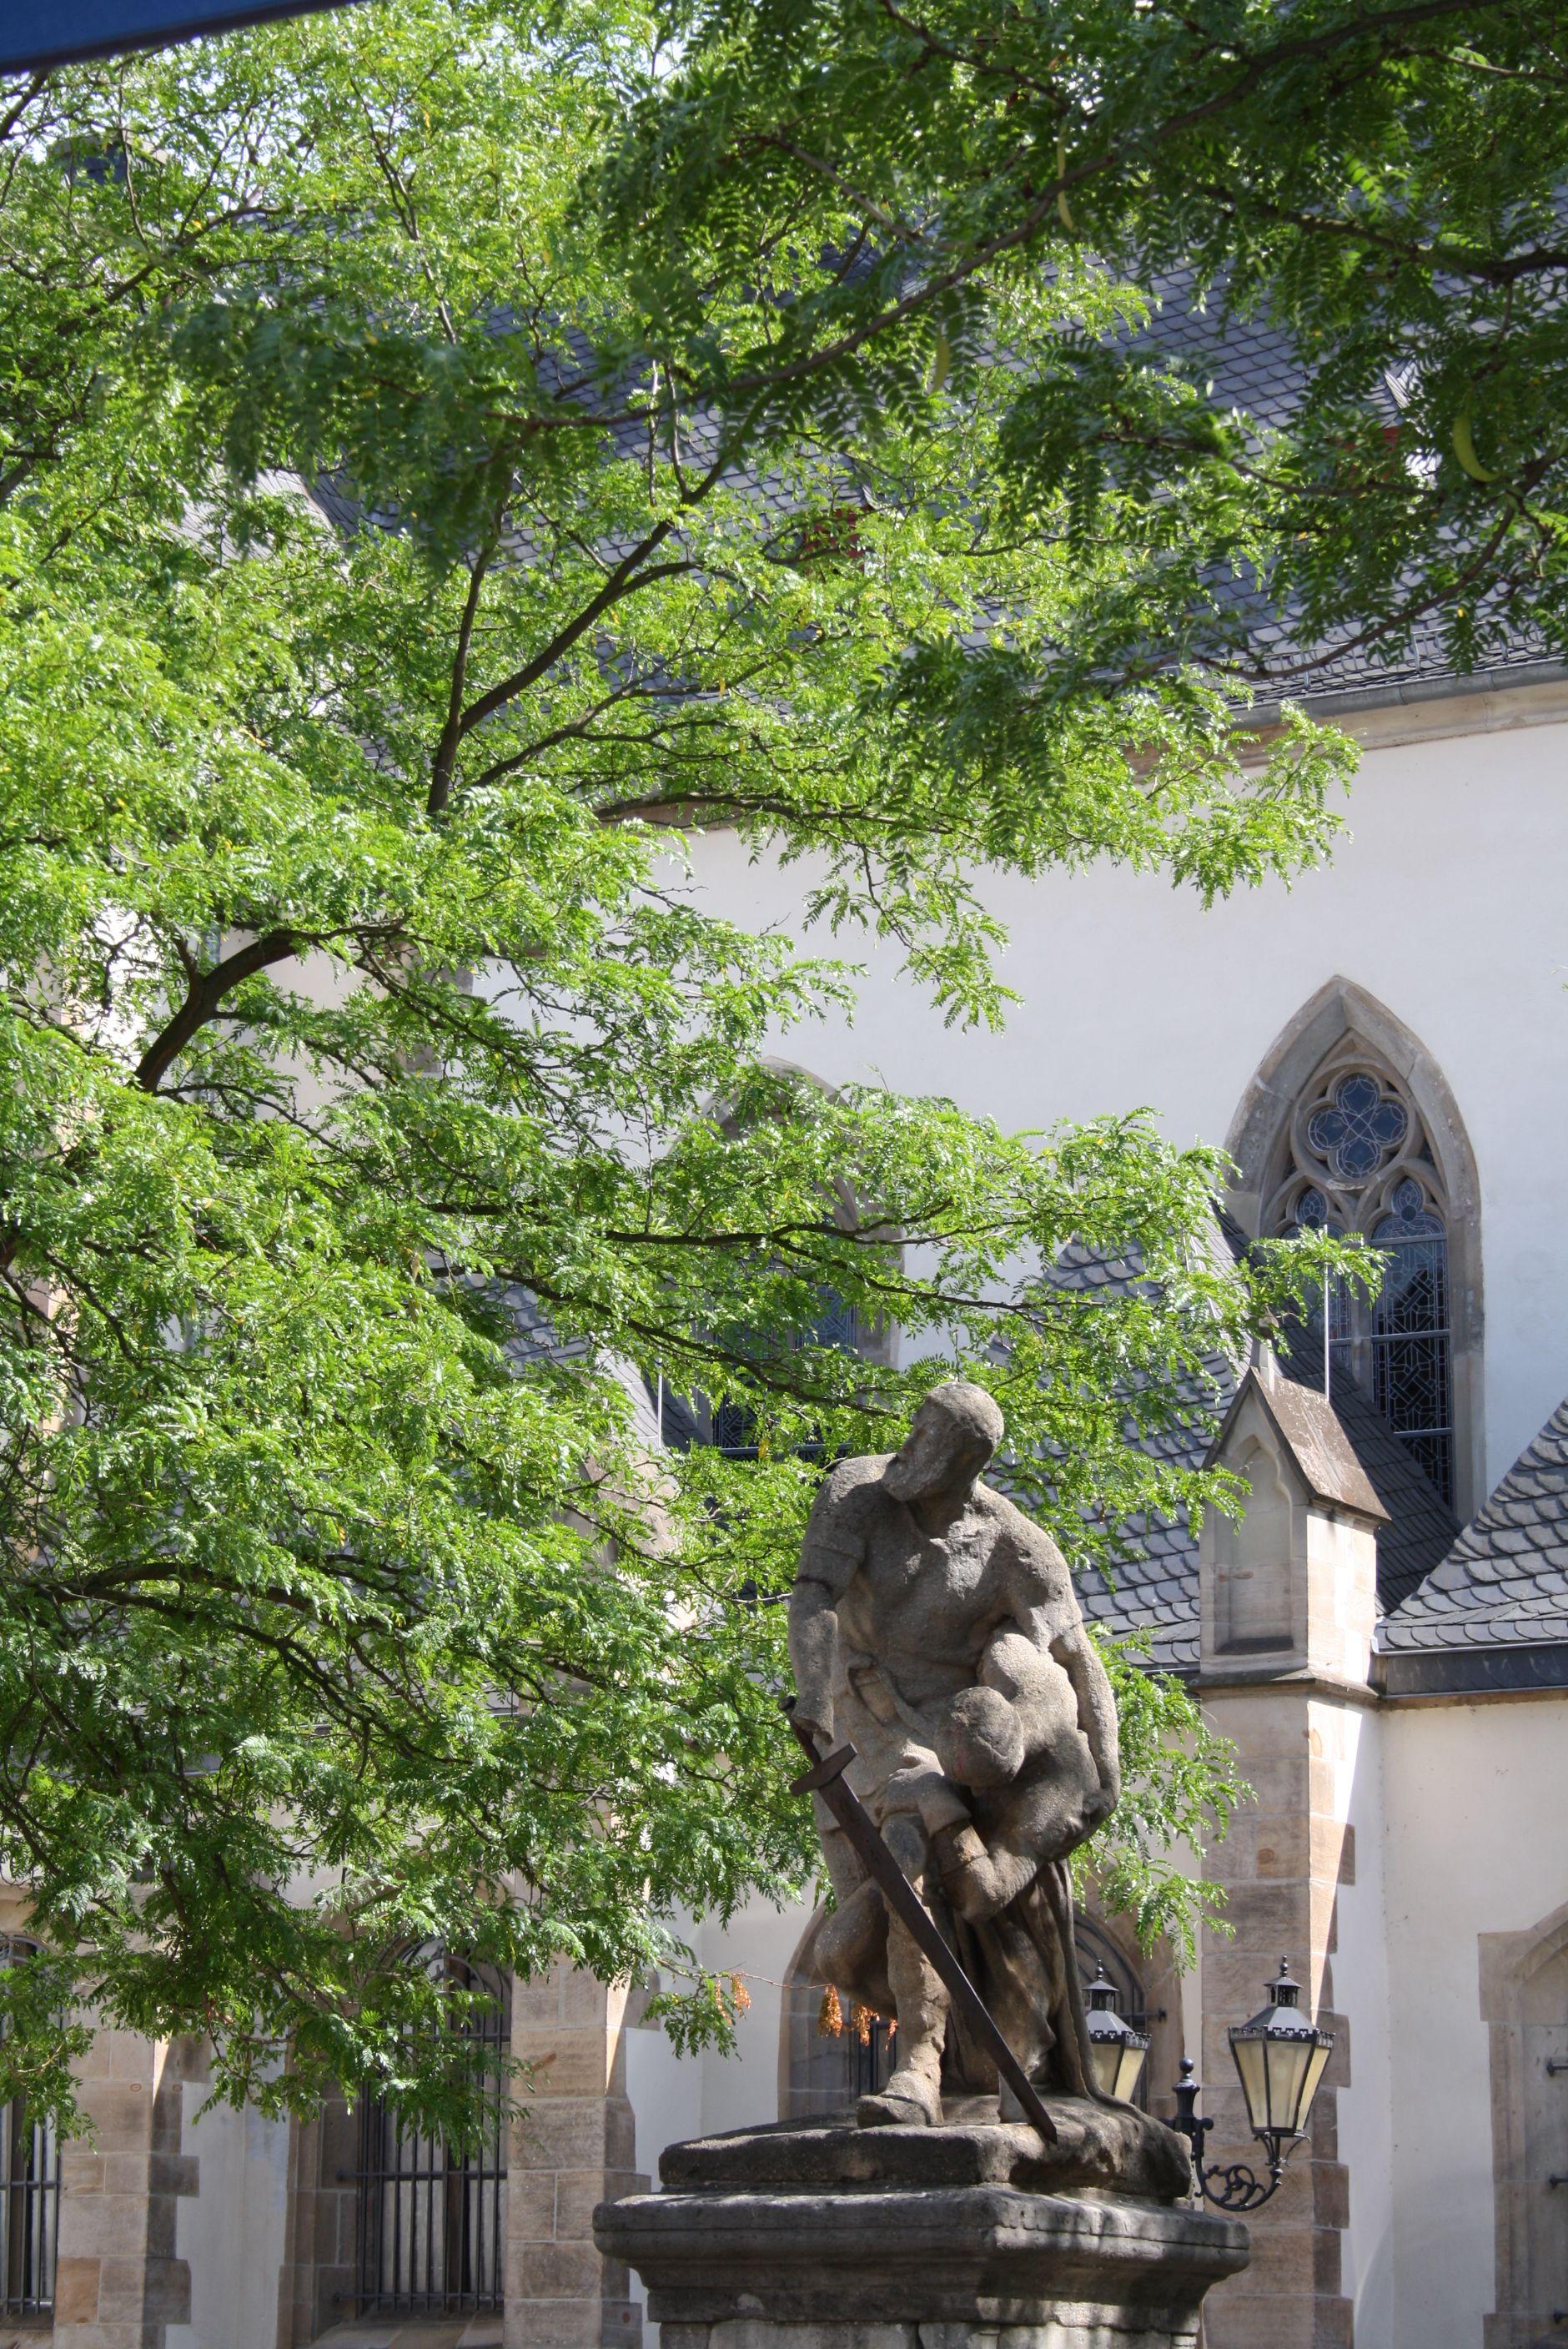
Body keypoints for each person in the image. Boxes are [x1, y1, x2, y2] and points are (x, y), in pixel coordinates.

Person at [789, 1380, 1119, 2126]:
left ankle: (921, 2069)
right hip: (858, 1722)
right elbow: (812, 1597)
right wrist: (812, 1697)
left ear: (966, 1463)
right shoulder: (856, 1494)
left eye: (930, 1442)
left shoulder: (1013, 1542)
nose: (908, 1451)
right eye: (916, 1430)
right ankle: (942, 2047)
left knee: (913, 1853)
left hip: (952, 1739)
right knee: (848, 1947)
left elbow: (1076, 1655)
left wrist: (1108, 1763)